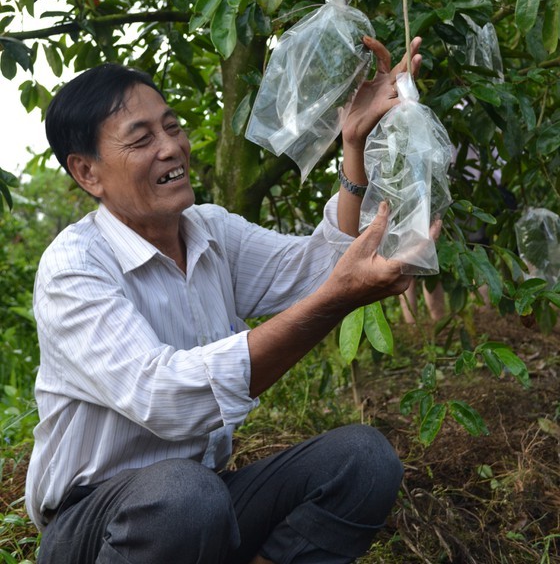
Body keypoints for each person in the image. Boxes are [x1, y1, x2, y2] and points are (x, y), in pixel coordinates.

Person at [26, 35, 435, 564]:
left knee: (363, 459)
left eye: (172, 126)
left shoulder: (210, 231)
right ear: (87, 172)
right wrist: (335, 301)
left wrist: (354, 144)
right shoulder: (74, 266)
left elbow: (318, 271)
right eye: (141, 139)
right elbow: (165, 398)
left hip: (202, 504)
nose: (171, 147)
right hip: (95, 524)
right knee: (184, 497)